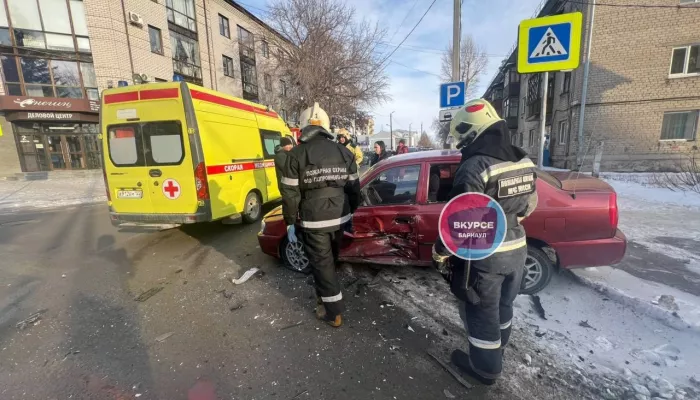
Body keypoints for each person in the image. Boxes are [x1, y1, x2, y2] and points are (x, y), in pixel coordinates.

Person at [434, 99, 538, 386]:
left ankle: (485, 369)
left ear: (473, 132)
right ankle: (499, 346)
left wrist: (440, 252)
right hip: (517, 250)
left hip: (485, 259)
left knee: (481, 313)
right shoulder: (522, 160)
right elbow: (529, 206)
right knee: (505, 304)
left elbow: (459, 222)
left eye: (462, 137)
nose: (460, 143)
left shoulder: (474, 166)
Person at [278, 121, 360, 328]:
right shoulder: (343, 151)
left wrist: (289, 221)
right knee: (330, 260)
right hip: (340, 215)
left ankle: (333, 313)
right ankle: (324, 295)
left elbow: (290, 193)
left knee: (322, 265)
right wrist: (351, 210)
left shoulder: (296, 154)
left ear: (305, 134)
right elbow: (354, 187)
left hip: (315, 219)